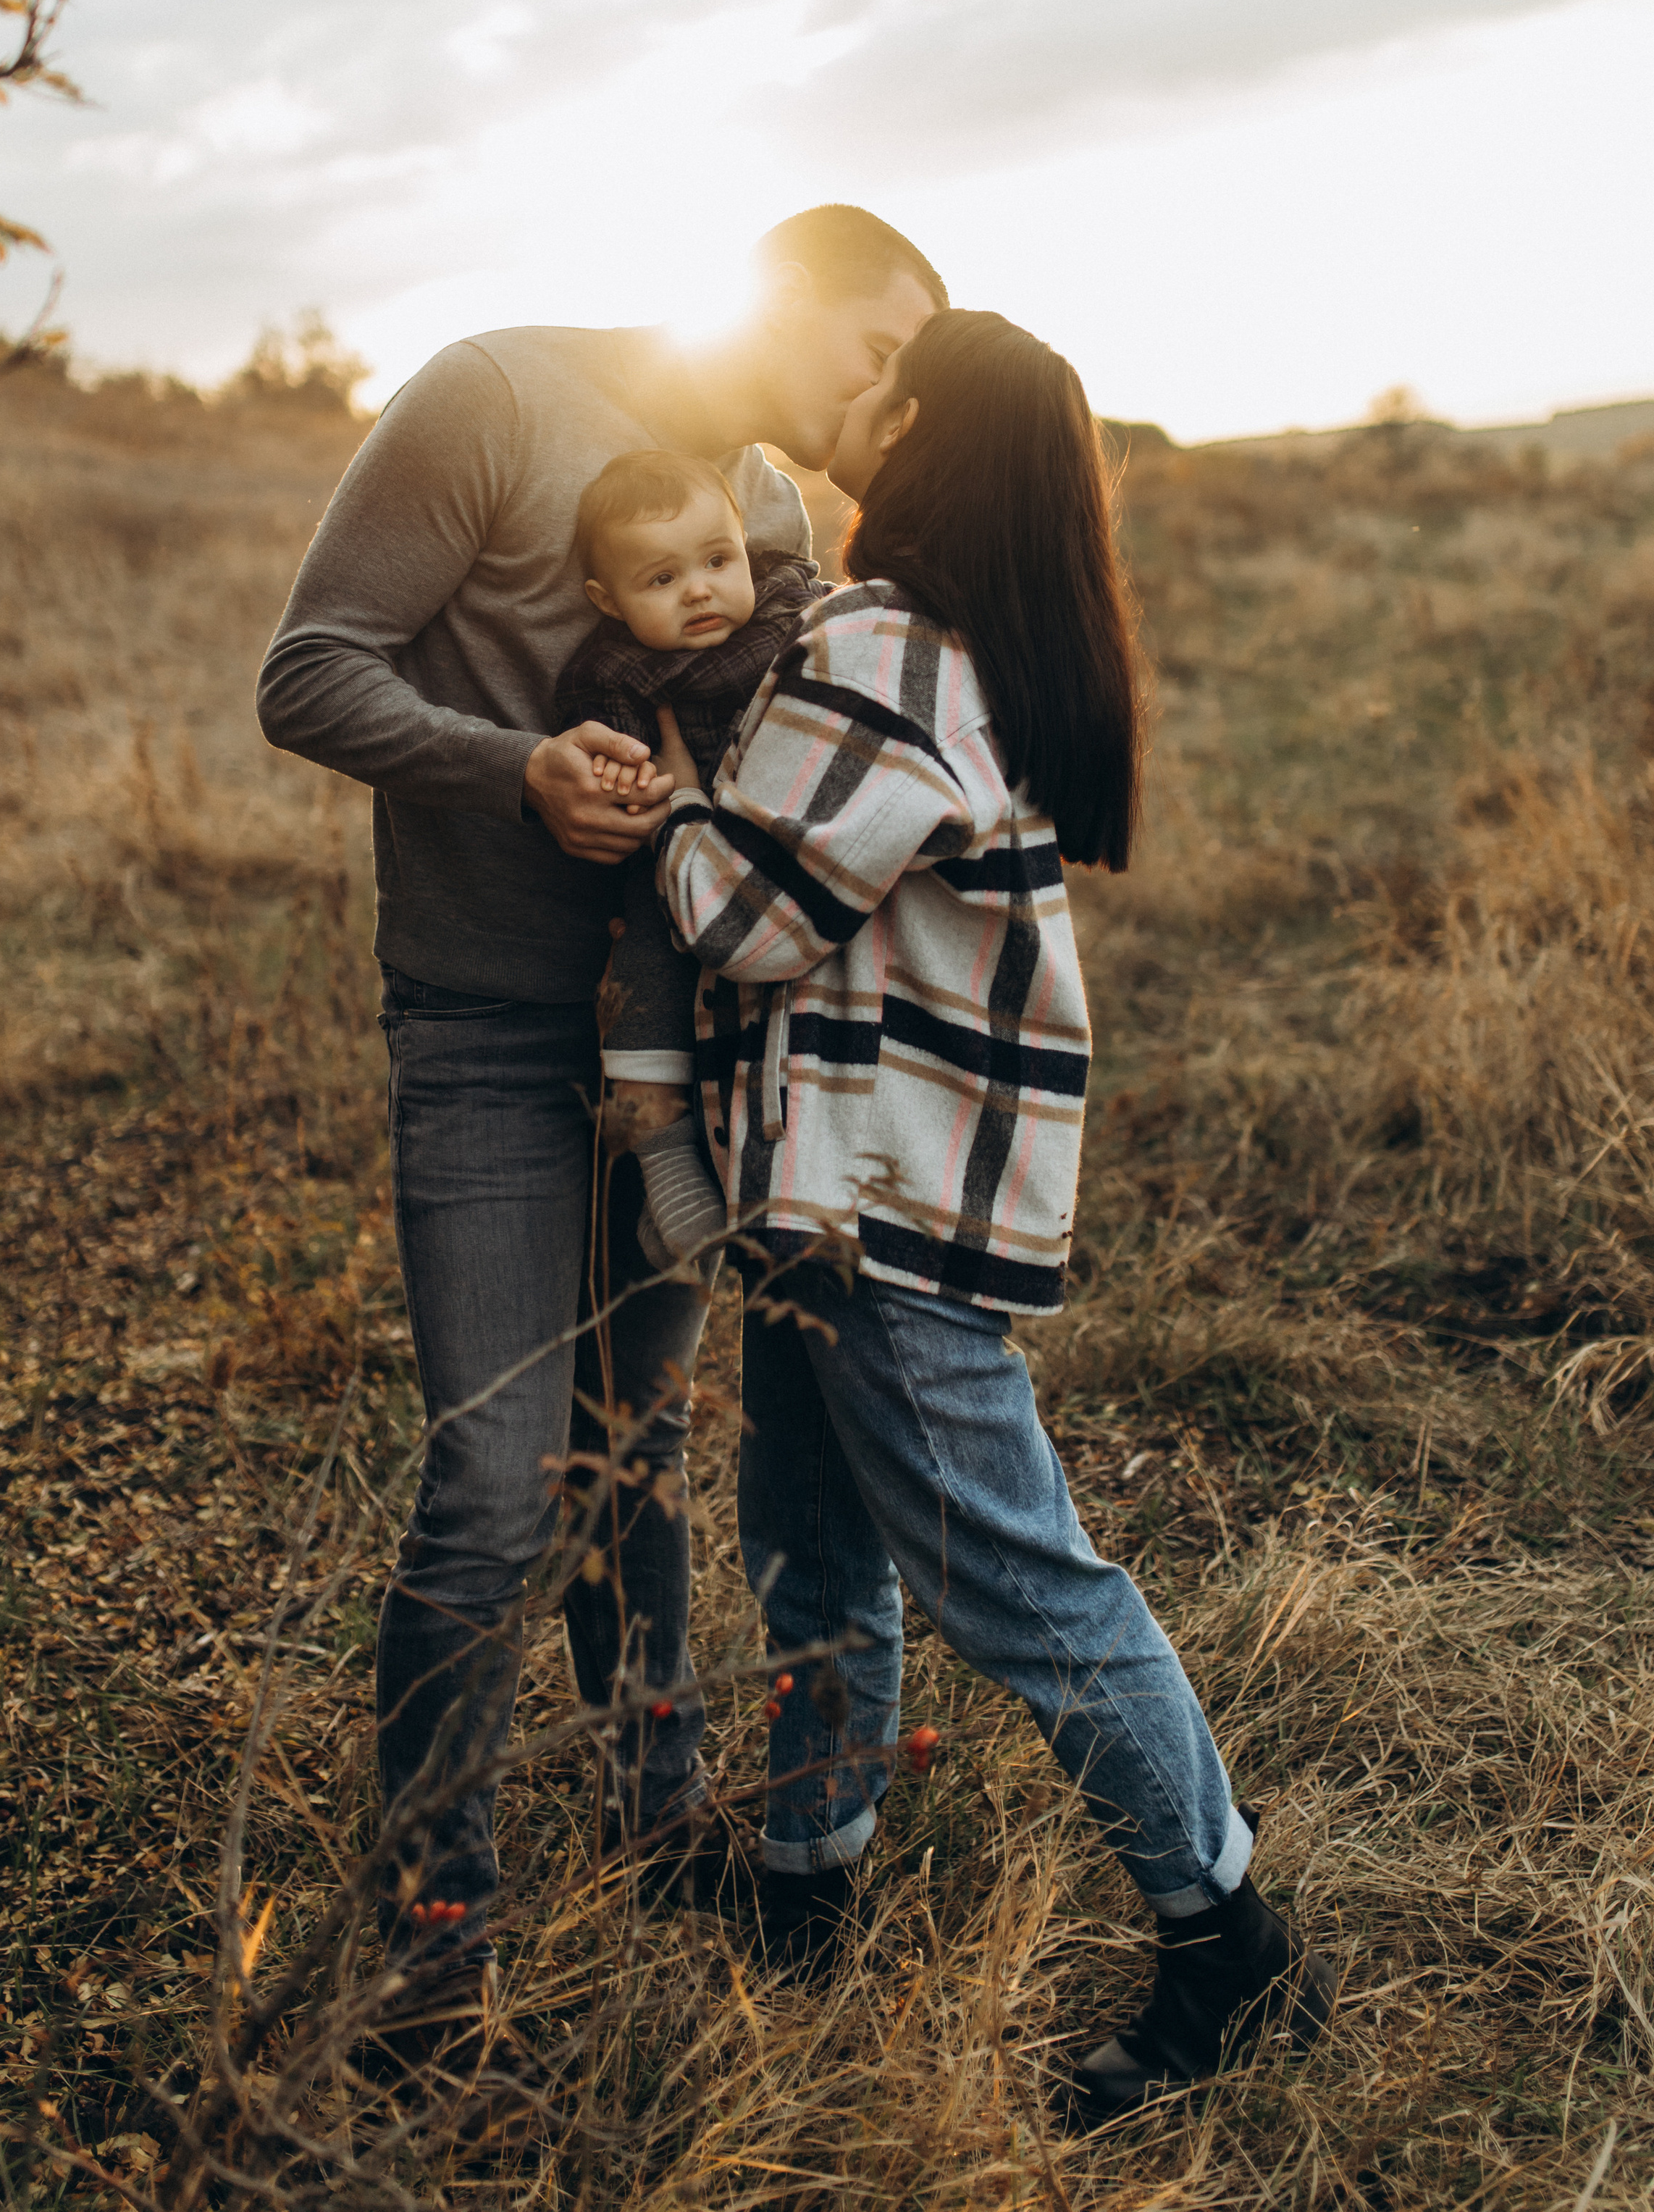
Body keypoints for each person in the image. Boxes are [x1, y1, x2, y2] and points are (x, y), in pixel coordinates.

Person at [253, 205, 945, 2016]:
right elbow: (307, 669)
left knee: (634, 1446)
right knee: (493, 1477)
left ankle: (662, 1807)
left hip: (682, 1058)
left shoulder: (763, 514)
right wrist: (514, 768)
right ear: (778, 295)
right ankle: (431, 1941)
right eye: (870, 349)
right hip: (483, 1030)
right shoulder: (488, 398)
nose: (880, 395)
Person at [650, 309, 1333, 2122]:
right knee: (807, 1535)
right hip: (844, 1186)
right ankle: (808, 1877)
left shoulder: (880, 642)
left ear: (926, 429)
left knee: (1018, 1579)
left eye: (881, 381)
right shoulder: (968, 638)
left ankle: (1223, 1934)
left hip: (876, 1198)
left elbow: (741, 916)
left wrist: (648, 799)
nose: (843, 395)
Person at [553, 447, 820, 1270]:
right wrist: (624, 777)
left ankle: (741, 1174)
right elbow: (617, 767)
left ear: (748, 545)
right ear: (608, 601)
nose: (699, 589)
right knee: (642, 982)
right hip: (670, 875)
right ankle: (666, 1166)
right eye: (661, 580)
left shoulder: (798, 617)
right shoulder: (615, 672)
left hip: (778, 867)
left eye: (715, 560)